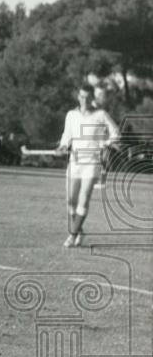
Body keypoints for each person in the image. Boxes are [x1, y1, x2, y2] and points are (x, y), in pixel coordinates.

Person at [56, 84, 119, 248]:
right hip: (75, 161)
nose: (85, 100)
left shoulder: (101, 115)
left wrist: (104, 143)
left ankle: (72, 235)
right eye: (82, 96)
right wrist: (62, 146)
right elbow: (66, 135)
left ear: (92, 98)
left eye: (88, 97)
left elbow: (116, 133)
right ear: (78, 97)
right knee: (71, 200)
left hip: (91, 163)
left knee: (84, 199)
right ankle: (79, 231)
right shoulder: (71, 115)